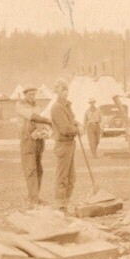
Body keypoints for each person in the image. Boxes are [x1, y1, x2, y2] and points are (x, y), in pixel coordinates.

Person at [15, 86, 51, 205]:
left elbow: (40, 120)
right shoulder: (20, 106)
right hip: (27, 140)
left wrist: (44, 127)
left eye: (33, 94)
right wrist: (46, 120)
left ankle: (36, 196)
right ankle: (33, 198)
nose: (32, 97)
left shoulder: (37, 106)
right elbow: (32, 116)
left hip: (38, 140)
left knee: (39, 170)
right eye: (29, 94)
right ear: (25, 95)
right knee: (30, 169)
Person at [51, 80, 81, 211]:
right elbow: (65, 128)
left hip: (70, 144)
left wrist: (77, 124)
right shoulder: (57, 107)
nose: (65, 92)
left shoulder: (66, 106)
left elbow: (72, 120)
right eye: (62, 90)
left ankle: (66, 203)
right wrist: (77, 129)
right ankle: (60, 205)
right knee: (62, 176)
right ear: (56, 91)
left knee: (71, 177)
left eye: (66, 89)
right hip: (63, 144)